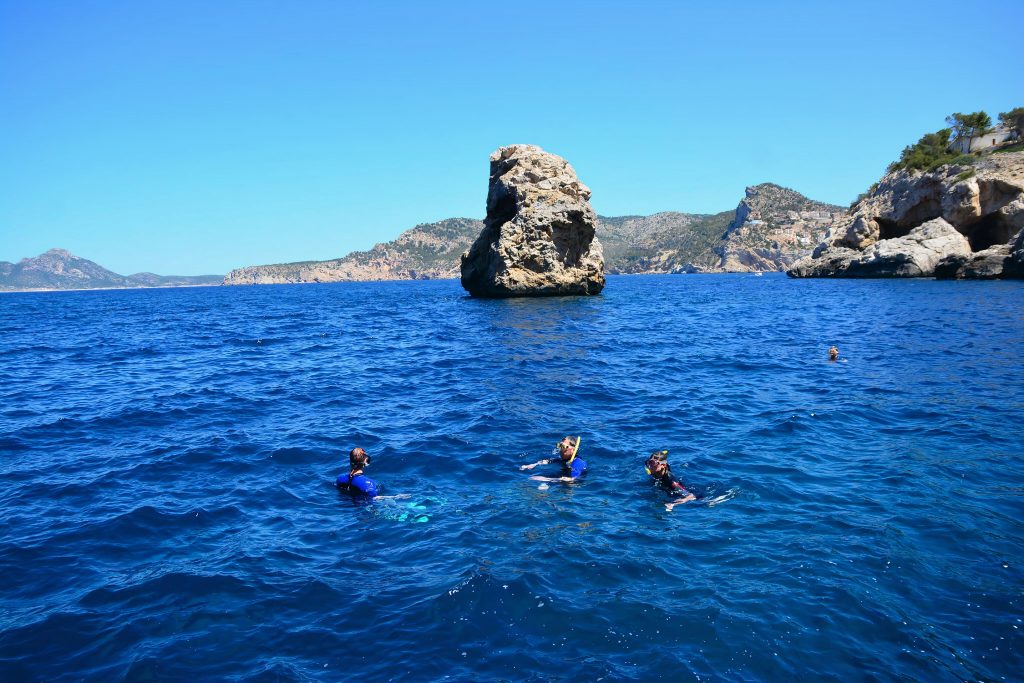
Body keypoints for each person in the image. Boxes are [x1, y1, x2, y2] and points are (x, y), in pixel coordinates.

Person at [520, 435, 587, 482]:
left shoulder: (578, 463)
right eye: (559, 445)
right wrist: (534, 464)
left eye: (563, 446)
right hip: (560, 477)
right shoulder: (563, 459)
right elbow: (549, 461)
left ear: (573, 450)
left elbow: (573, 480)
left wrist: (546, 479)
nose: (560, 449)